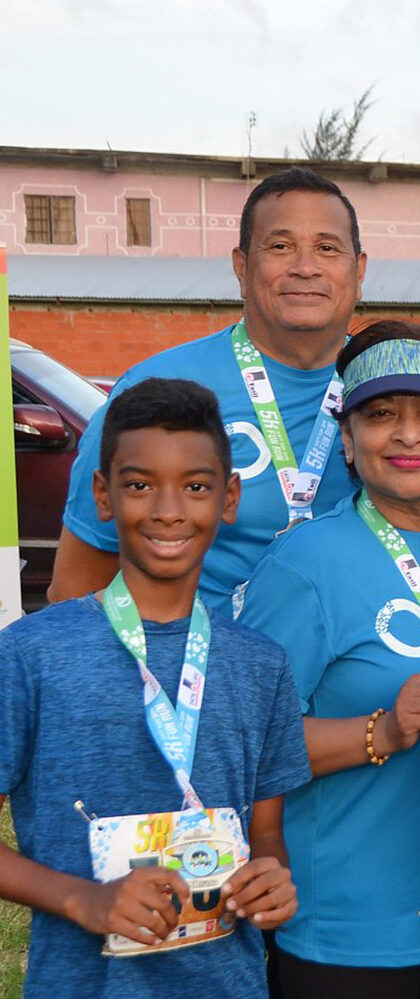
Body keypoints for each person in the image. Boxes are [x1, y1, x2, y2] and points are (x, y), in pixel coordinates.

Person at [0, 378, 310, 998]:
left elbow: (266, 835)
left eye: (195, 488)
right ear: (104, 495)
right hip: (83, 984)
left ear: (228, 499)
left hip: (228, 983)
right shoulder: (31, 654)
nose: (168, 510)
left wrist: (272, 878)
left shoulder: (260, 664)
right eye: (140, 485)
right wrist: (83, 900)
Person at [236, 322, 420, 997]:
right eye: (381, 414)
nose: (408, 434)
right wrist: (383, 729)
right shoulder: (304, 563)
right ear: (350, 441)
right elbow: (244, 740)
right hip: (346, 932)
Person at [49, 166, 366, 615]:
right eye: (280, 246)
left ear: (359, 269)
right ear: (241, 266)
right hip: (197, 678)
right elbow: (75, 593)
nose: (305, 267)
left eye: (327, 248)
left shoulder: (390, 393)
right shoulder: (153, 392)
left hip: (352, 680)